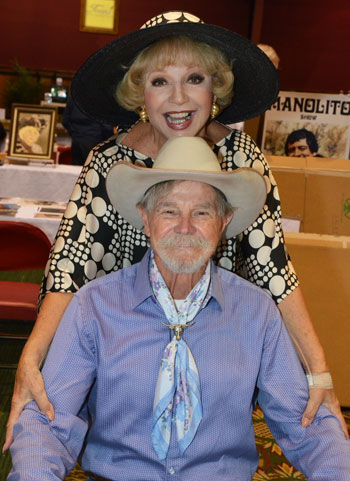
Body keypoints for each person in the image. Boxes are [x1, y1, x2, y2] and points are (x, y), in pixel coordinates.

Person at [4, 10, 347, 452]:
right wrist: (32, 357)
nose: (178, 98)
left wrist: (319, 368)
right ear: (139, 93)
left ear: (216, 88)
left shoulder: (242, 161)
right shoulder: (109, 162)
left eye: (195, 78)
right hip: (120, 355)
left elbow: (273, 269)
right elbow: (71, 267)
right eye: (160, 81)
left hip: (213, 346)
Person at [8, 137, 350, 481]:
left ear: (224, 221)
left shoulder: (257, 312)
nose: (185, 227)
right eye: (169, 210)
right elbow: (48, 423)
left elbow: (306, 425)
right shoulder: (93, 306)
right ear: (145, 218)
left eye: (201, 212)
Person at [63, 95, 114, 165]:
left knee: (76, 172)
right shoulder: (101, 97)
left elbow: (65, 121)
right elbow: (107, 126)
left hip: (77, 140)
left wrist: (74, 133)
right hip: (94, 141)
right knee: (91, 172)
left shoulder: (73, 96)